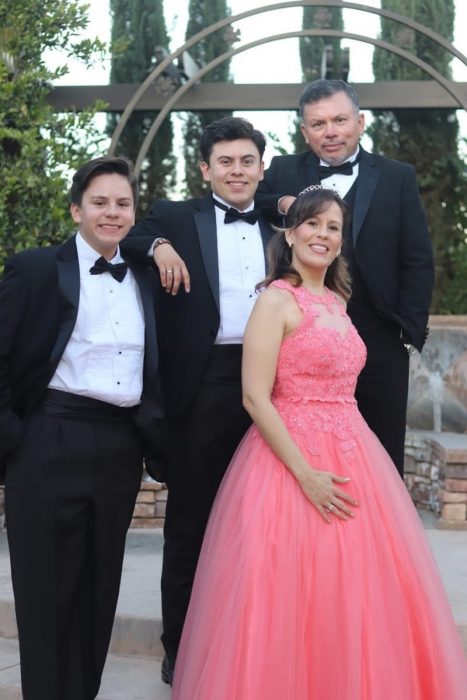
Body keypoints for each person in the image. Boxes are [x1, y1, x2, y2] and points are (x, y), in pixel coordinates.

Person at [171, 187, 467, 699]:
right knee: (291, 589)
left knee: (355, 590)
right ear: (289, 233)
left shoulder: (336, 300)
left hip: (355, 454)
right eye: (312, 224)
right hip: (288, 462)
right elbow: (254, 397)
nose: (322, 235)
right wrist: (305, 474)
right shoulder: (274, 300)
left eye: (333, 228)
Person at [0, 156, 165, 700]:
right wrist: (15, 441)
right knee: (47, 595)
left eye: (122, 204)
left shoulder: (146, 276)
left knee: (99, 591)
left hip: (118, 447)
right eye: (99, 202)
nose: (111, 213)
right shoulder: (35, 269)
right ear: (76, 209)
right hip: (49, 439)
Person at [123, 116, 275, 685]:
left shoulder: (282, 221)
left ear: (262, 167)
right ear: (205, 168)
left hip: (274, 382)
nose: (237, 171)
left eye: (247, 161)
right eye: (226, 162)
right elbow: (127, 235)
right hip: (204, 383)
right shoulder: (173, 216)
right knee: (190, 525)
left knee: (267, 523)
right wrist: (159, 245)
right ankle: (180, 645)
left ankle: (254, 644)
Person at [256, 79, 434, 476]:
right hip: (304, 339)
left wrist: (407, 331)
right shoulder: (284, 170)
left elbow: (418, 259)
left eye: (339, 120)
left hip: (380, 337)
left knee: (383, 458)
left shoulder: (397, 176)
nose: (330, 131)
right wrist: (285, 202)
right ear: (304, 131)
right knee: (307, 454)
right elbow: (250, 199)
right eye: (317, 124)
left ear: (361, 121)